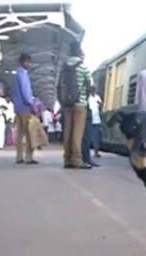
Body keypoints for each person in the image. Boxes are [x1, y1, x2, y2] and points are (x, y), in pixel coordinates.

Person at [58, 41, 91, 169]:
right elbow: (90, 85)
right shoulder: (83, 67)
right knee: (77, 133)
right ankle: (77, 159)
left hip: (66, 104)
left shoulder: (64, 66)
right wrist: (85, 98)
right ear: (78, 51)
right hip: (79, 103)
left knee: (67, 131)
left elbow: (60, 84)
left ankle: (67, 159)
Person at [12, 53, 39, 164]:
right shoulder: (23, 74)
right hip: (25, 107)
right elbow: (26, 91)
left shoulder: (16, 74)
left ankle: (19, 157)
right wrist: (32, 104)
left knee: (20, 134)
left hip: (18, 107)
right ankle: (29, 157)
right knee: (29, 133)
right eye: (27, 62)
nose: (29, 64)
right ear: (22, 62)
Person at [87, 85, 103, 158]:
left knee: (96, 137)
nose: (93, 91)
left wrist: (100, 105)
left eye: (94, 90)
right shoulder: (88, 98)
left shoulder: (97, 97)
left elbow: (101, 105)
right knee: (89, 136)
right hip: (90, 119)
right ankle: (88, 151)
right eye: (92, 90)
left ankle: (96, 152)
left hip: (97, 120)